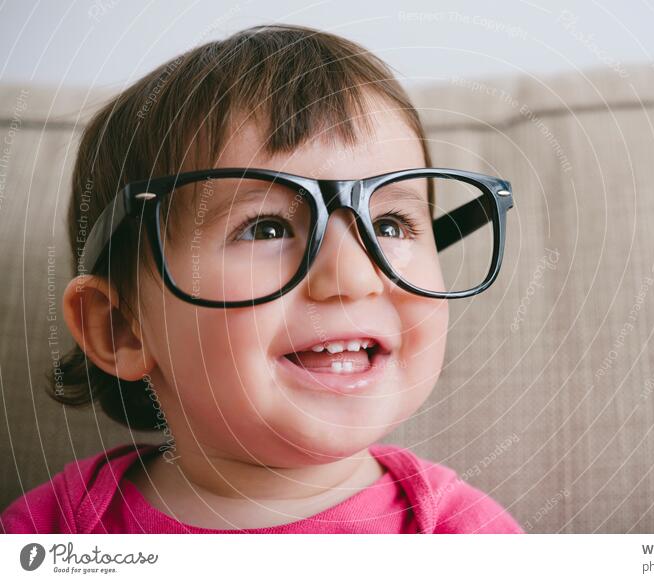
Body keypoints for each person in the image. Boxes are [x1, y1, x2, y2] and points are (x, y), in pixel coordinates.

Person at [1, 24, 521, 534]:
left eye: (389, 225)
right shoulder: (54, 533)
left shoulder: (462, 534)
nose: (355, 276)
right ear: (122, 329)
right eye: (267, 228)